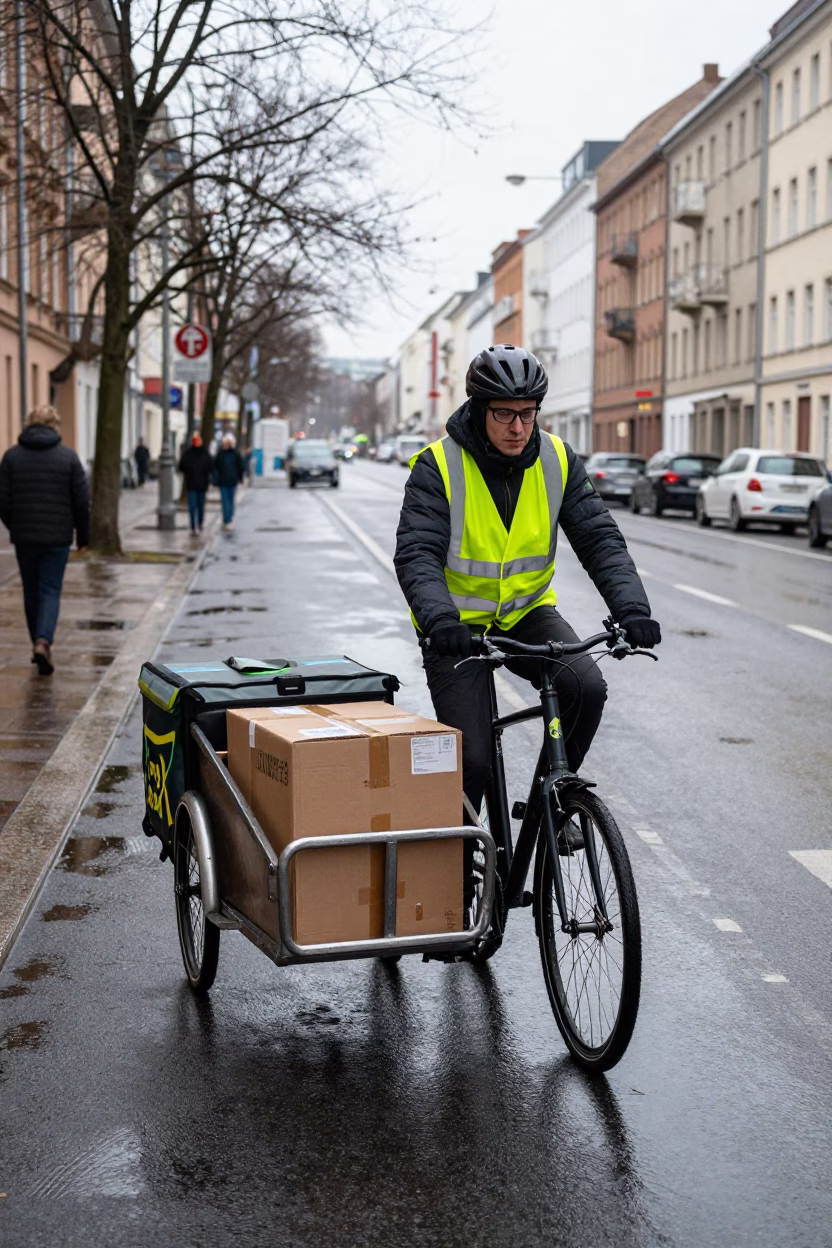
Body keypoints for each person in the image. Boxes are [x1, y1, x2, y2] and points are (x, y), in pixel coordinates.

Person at [395, 344, 661, 824]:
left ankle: (550, 807)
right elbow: (417, 553)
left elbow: (599, 538)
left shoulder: (558, 459)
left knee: (586, 686)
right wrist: (439, 620)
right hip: (456, 628)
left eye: (527, 413)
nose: (518, 427)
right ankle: (457, 860)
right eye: (504, 414)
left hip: (526, 614)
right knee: (471, 758)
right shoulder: (439, 466)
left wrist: (633, 609)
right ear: (480, 409)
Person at [0, 405, 90, 675]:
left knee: (30, 590)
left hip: (25, 537)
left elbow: (3, 501)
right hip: (57, 537)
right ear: (54, 425)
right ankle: (43, 641)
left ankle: (37, 643)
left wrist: (16, 525)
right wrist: (83, 536)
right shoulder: (68, 457)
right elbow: (81, 501)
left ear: (29, 424)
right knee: (50, 589)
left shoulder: (11, 457)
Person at [177, 433, 213, 534]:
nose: (197, 443)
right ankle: (193, 525)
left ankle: (199, 523)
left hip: (200, 484)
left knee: (200, 505)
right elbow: (181, 466)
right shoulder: (188, 454)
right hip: (192, 484)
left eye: (198, 441)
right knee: (193, 506)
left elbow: (210, 467)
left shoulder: (204, 454)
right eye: (195, 441)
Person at [213, 433, 245, 529]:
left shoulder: (235, 454)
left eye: (228, 443)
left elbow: (240, 467)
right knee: (224, 501)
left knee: (230, 501)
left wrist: (240, 478)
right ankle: (226, 519)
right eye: (225, 443)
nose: (226, 445)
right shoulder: (220, 455)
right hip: (223, 481)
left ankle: (229, 517)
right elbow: (215, 467)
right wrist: (216, 478)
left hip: (232, 481)